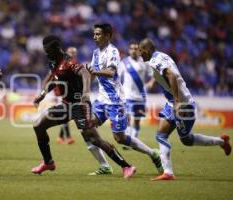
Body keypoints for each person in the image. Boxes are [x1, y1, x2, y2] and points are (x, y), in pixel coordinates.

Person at [31, 35, 135, 178]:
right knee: (38, 125)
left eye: (48, 50)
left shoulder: (68, 62)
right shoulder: (53, 62)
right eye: (45, 50)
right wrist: (42, 95)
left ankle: (127, 166)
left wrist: (86, 92)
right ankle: (48, 162)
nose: (45, 52)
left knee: (94, 139)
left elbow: (85, 73)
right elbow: (54, 80)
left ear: (56, 48)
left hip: (80, 105)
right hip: (67, 105)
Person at [138, 38, 232, 181]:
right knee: (168, 136)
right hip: (173, 102)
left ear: (148, 49)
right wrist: (153, 82)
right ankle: (221, 142)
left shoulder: (155, 60)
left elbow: (172, 75)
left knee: (181, 139)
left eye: (141, 51)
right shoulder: (161, 56)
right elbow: (165, 74)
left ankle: (169, 173)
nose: (140, 54)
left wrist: (177, 102)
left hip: (182, 104)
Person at [85, 23, 163, 175]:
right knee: (87, 129)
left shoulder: (113, 51)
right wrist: (86, 78)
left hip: (115, 101)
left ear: (107, 36)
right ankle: (105, 166)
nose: (94, 37)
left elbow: (111, 72)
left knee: (120, 138)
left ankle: (152, 153)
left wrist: (95, 72)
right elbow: (94, 74)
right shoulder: (95, 53)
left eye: (98, 34)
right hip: (101, 100)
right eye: (94, 34)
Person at [118, 40, 155, 140]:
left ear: (139, 50)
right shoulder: (123, 63)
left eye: (136, 49)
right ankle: (129, 138)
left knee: (137, 119)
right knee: (127, 117)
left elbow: (154, 74)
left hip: (140, 96)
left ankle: (134, 138)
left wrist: (151, 82)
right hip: (127, 95)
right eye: (131, 49)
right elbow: (116, 76)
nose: (133, 50)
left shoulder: (144, 62)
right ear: (129, 50)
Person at [55, 47, 78, 145]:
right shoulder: (61, 63)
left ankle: (60, 137)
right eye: (70, 52)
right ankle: (67, 137)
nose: (72, 54)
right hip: (61, 93)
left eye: (74, 52)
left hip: (70, 93)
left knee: (66, 115)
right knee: (65, 115)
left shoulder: (75, 63)